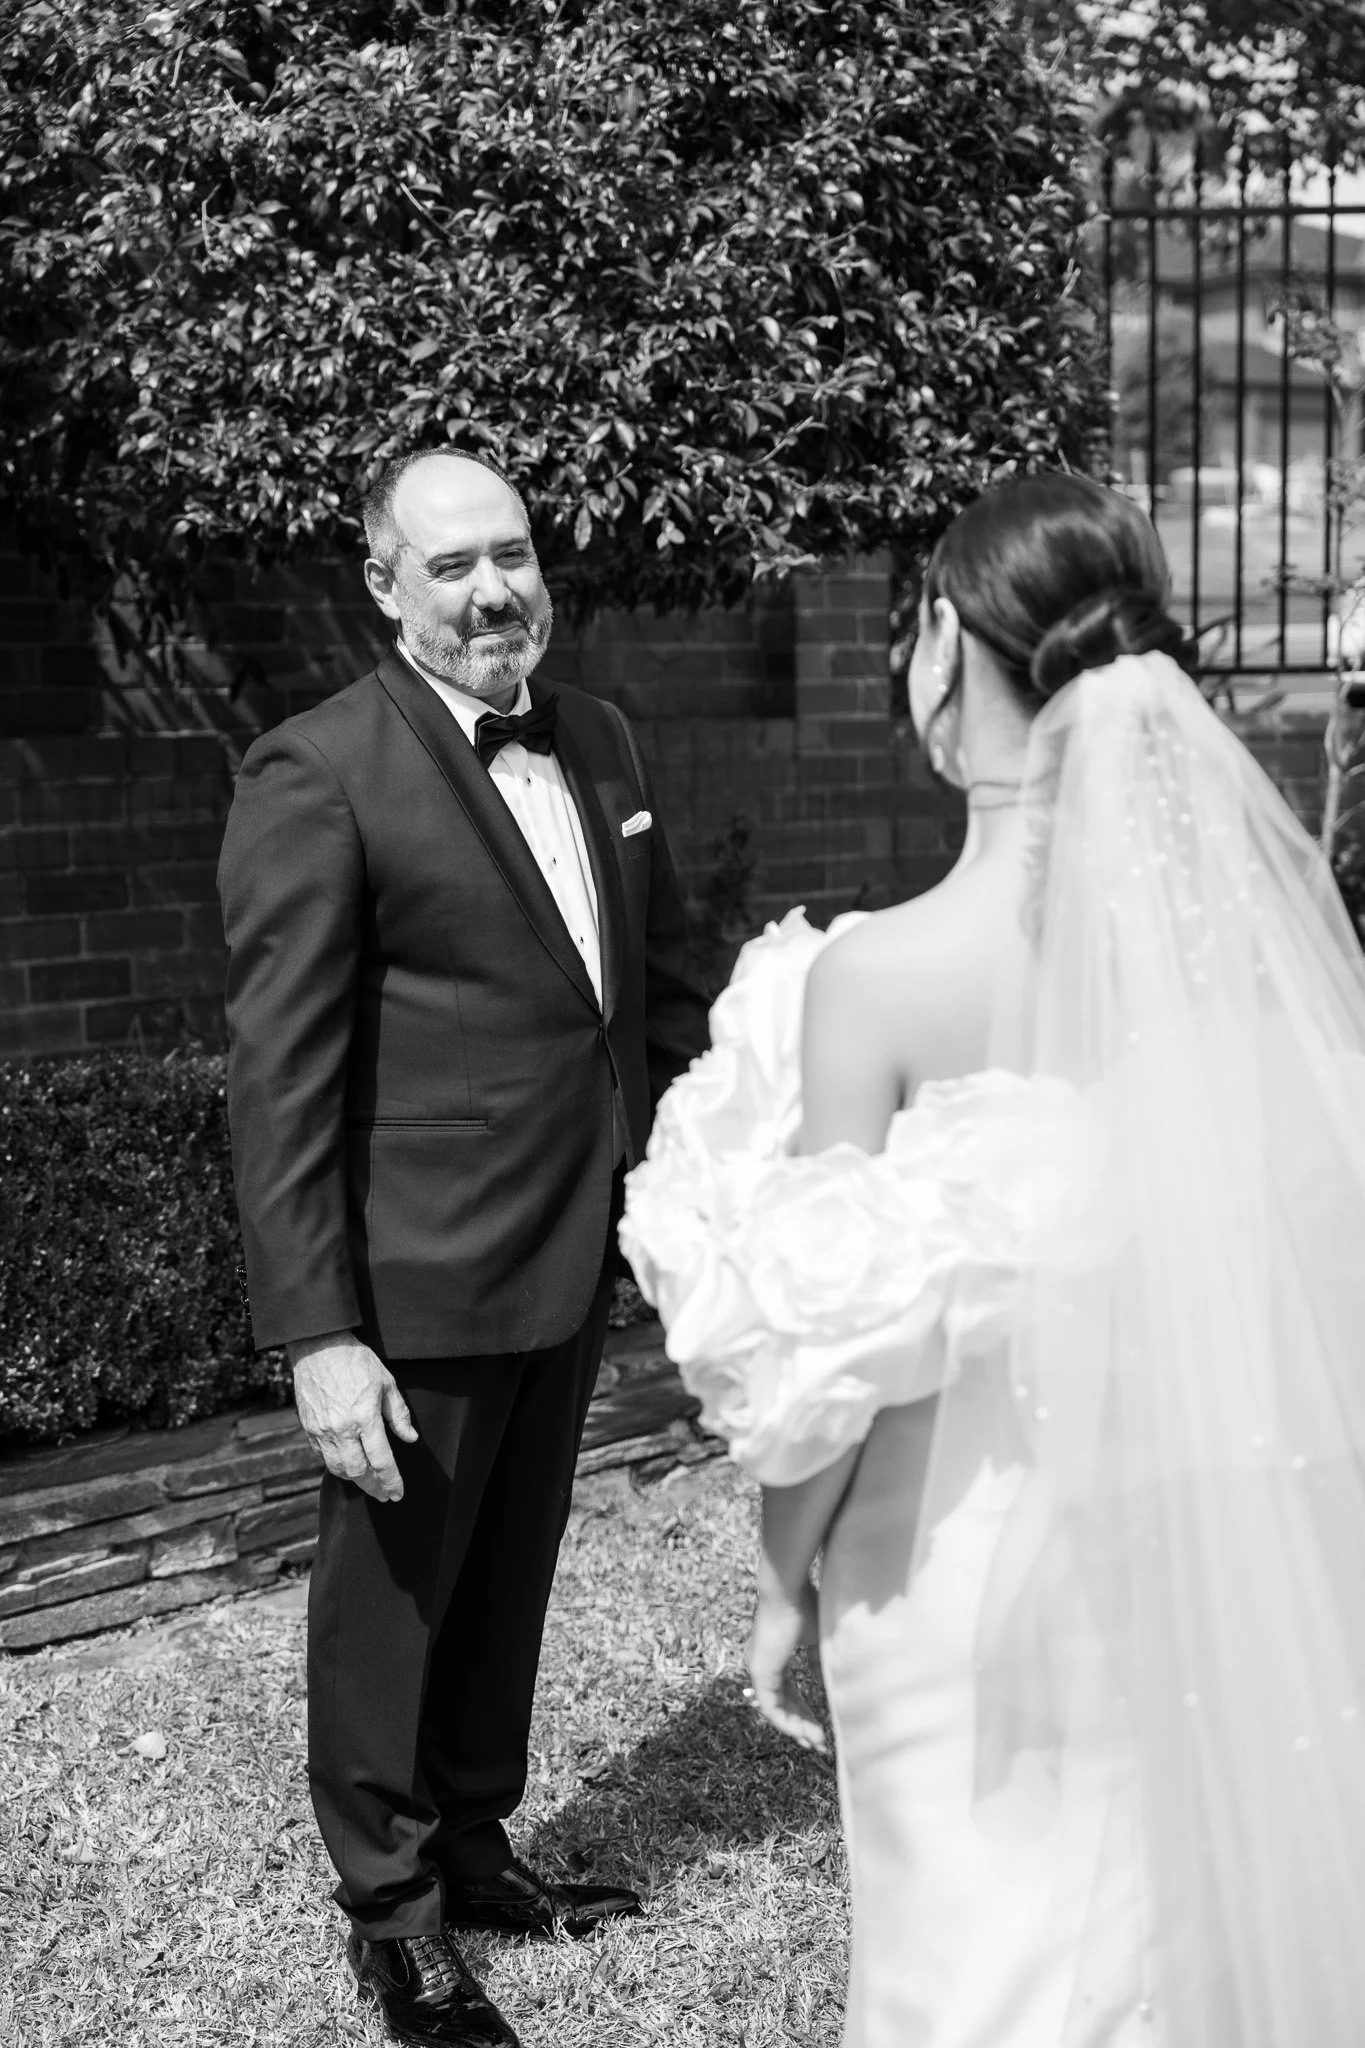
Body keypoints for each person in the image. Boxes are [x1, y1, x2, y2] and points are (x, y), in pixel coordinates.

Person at [622, 472, 1365, 2046]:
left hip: (945, 1561)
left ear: (947, 645)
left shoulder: (878, 979)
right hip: (1168, 1534)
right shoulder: (1223, 967)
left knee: (970, 1961)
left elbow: (830, 1348)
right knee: (1150, 1939)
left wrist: (779, 1583)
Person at [218, 447, 711, 2048]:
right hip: (416, 1282)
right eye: (452, 565)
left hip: (572, 1254)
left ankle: (478, 1847)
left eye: (514, 553)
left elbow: (650, 994)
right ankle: (395, 1921)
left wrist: (702, 1183)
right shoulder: (318, 769)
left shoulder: (603, 736)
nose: (495, 589)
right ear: (385, 586)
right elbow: (282, 1078)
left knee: (509, 1581)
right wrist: (319, 1333)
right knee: (393, 1613)